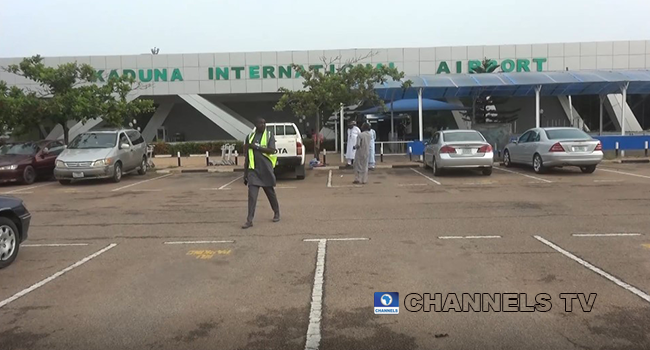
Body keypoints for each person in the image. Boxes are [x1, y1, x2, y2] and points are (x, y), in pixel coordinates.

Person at [242, 118, 280, 229]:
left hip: (265, 170)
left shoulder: (269, 135)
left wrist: (257, 147)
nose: (263, 124)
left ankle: (276, 212)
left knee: (270, 193)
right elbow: (247, 156)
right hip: (253, 171)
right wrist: (245, 174)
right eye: (260, 123)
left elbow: (272, 150)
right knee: (252, 196)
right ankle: (249, 220)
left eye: (264, 123)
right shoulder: (250, 137)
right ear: (256, 124)